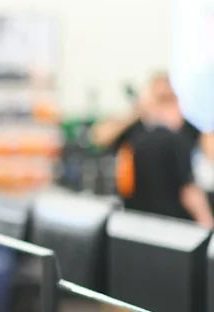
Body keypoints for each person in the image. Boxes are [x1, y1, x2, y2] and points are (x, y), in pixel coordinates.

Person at [91, 71, 214, 226]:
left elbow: (190, 187)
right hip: (138, 216)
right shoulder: (137, 128)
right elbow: (99, 137)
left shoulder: (184, 131)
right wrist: (137, 111)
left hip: (177, 221)